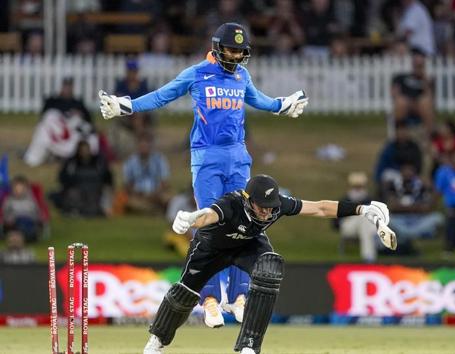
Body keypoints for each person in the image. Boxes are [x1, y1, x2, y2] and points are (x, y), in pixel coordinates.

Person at [99, 23, 308, 329]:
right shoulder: (197, 73)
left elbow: (259, 100)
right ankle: (209, 300)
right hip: (207, 157)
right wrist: (127, 105)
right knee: (209, 224)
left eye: (240, 51)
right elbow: (161, 96)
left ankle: (238, 298)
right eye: (231, 49)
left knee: (247, 224)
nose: (235, 55)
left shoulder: (242, 75)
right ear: (217, 47)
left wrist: (282, 106)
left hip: (238, 156)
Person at [142, 174, 396, 354]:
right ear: (247, 198)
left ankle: (249, 346)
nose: (266, 213)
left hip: (248, 245)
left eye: (270, 208)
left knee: (269, 269)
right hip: (211, 249)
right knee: (183, 294)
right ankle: (156, 341)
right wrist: (189, 219)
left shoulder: (276, 206)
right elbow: (209, 215)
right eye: (261, 207)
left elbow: (319, 208)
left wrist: (362, 210)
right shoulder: (232, 203)